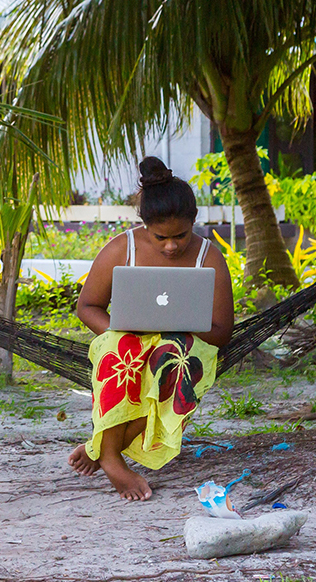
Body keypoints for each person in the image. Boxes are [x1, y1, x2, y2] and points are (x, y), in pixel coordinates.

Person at [68, 156, 234, 501]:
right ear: (145, 226)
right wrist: (122, 330)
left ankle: (102, 448)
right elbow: (87, 307)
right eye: (161, 237)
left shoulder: (209, 257)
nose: (171, 246)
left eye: (181, 236)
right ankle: (112, 458)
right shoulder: (121, 249)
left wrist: (179, 324)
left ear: (194, 223)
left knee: (172, 357)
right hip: (126, 338)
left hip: (189, 342)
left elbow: (222, 333)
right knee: (121, 351)